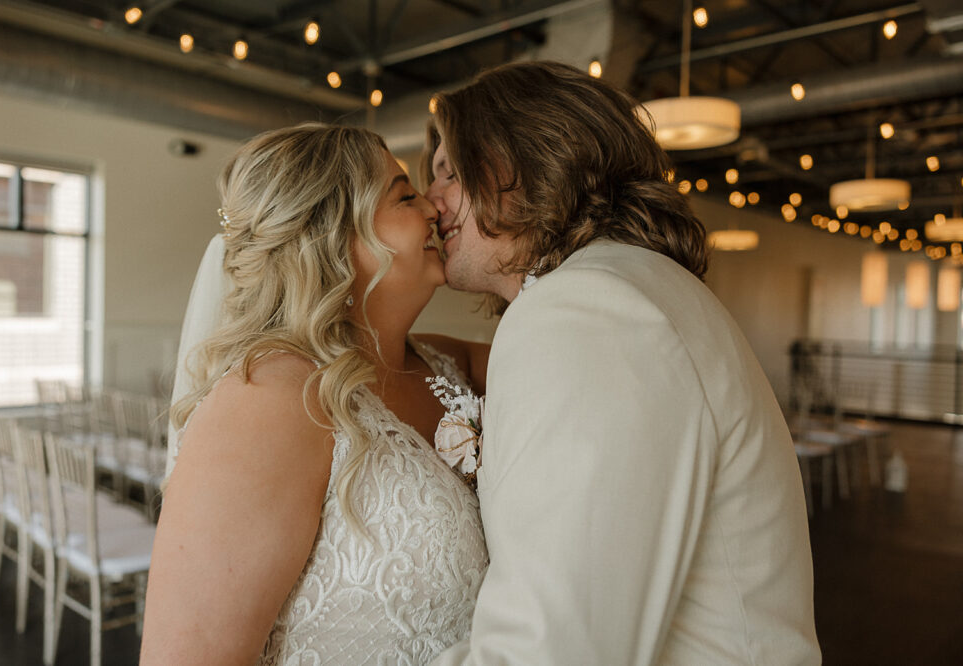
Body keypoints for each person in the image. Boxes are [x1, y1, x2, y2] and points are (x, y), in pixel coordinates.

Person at [423, 61, 821, 665]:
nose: (431, 203)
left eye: (449, 171)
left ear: (521, 154)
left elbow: (552, 650)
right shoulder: (624, 287)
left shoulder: (582, 311)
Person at [140, 124, 490, 665]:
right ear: (333, 237)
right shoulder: (269, 402)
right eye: (404, 196)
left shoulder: (451, 364)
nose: (433, 208)